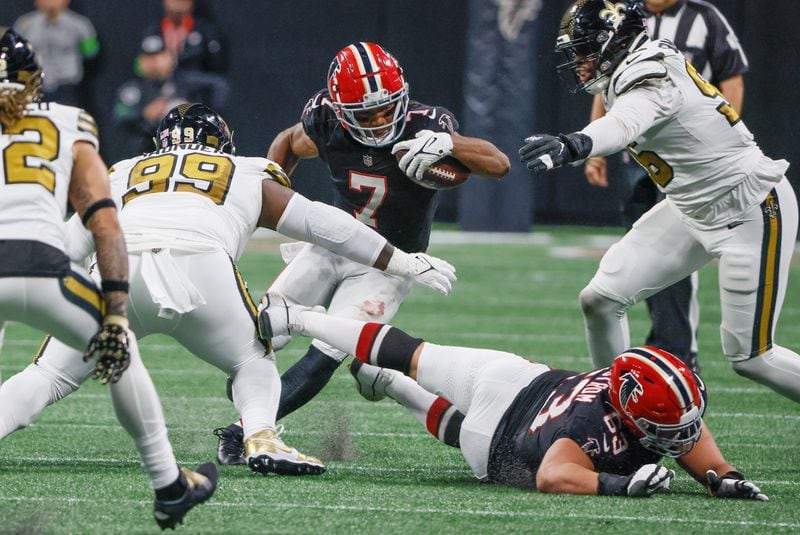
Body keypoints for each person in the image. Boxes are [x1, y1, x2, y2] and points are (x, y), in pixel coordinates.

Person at [0, 102, 458, 477]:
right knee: (252, 360)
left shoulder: (123, 172)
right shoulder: (242, 169)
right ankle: (261, 434)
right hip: (200, 266)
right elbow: (324, 223)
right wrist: (400, 260)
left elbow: (65, 246)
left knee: (46, 375)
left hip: (116, 269)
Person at [214, 41, 510, 465]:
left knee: (324, 354)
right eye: (365, 115)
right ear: (340, 110)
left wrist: (447, 144)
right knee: (254, 338)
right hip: (334, 245)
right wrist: (274, 197)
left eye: (388, 109)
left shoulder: (427, 124)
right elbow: (287, 142)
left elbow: (498, 164)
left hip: (390, 265)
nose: (379, 121)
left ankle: (244, 432)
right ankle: (368, 372)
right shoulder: (325, 121)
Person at [518, 1, 800, 402]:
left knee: (751, 357)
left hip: (749, 206)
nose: (579, 61)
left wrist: (575, 144)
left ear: (614, 42)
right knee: (600, 300)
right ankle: (616, 415)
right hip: (690, 205)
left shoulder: (650, 75)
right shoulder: (635, 63)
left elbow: (626, 122)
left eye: (585, 49)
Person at [0, 29, 216, 529]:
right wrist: (116, 313)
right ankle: (169, 486)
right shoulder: (67, 121)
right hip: (38, 267)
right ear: (33, 81)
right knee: (122, 354)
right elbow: (104, 222)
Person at [254, 296, 767, 499]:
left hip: (512, 376)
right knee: (458, 426)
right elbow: (553, 474)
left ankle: (298, 317)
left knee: (412, 352)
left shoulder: (628, 399)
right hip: (496, 436)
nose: (683, 433)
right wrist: (618, 484)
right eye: (668, 423)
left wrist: (726, 479)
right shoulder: (590, 425)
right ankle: (388, 384)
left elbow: (692, 437)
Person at [582, 0, 749, 373]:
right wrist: (594, 149)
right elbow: (603, 81)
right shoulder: (620, 17)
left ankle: (677, 347)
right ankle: (663, 343)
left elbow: (731, 79)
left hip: (686, 159)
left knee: (675, 255)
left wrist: (727, 140)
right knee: (641, 250)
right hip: (638, 156)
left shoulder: (704, 18)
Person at [113, 34, 230, 156]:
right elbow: (121, 116)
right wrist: (144, 114)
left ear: (171, 58)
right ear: (140, 62)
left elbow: (220, 86)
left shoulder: (187, 81)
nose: (154, 62)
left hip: (189, 148)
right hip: (147, 151)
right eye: (148, 57)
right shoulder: (133, 89)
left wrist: (198, 112)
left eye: (159, 56)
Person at [13, 0, 100, 109]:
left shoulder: (80, 24)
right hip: (34, 84)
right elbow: (16, 53)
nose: (51, 2)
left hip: (67, 84)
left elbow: (90, 52)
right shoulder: (25, 24)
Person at [140, 0, 228, 75]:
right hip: (157, 85)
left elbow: (217, 63)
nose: (177, 2)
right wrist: (152, 64)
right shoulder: (152, 31)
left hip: (195, 84)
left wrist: (177, 60)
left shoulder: (205, 30)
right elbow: (138, 66)